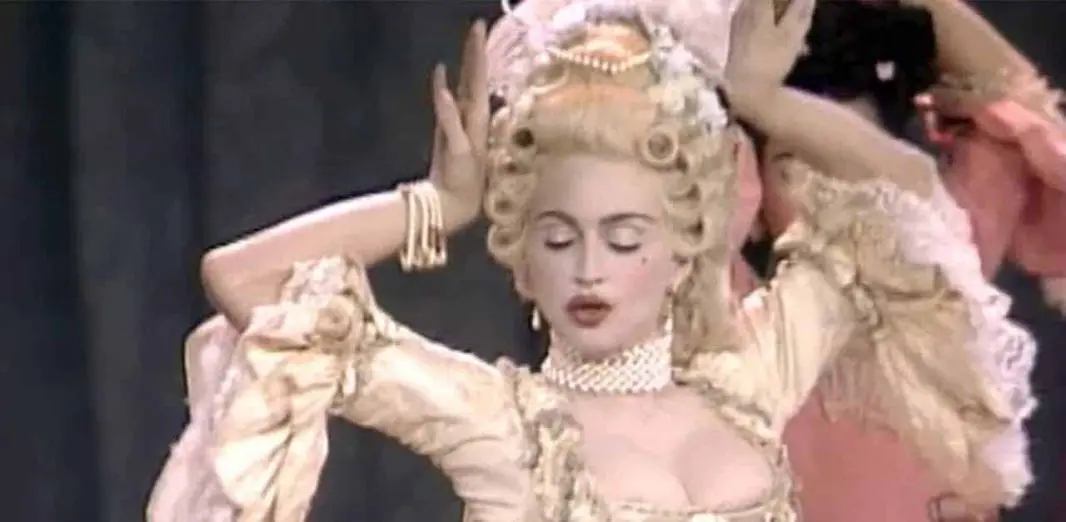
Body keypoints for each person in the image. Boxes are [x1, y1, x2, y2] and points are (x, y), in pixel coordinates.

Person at [146, 0, 1037, 521]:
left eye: (624, 239)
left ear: (683, 248)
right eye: (558, 238)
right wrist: (435, 205)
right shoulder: (493, 418)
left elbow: (909, 198)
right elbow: (241, 279)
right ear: (521, 258)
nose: (589, 272)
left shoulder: (753, 373)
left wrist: (761, 98)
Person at [721, 1, 1066, 520]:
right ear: (753, 199)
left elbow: (1021, 97)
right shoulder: (727, 321)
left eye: (859, 164)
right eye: (797, 167)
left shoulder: (949, 262)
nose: (837, 199)